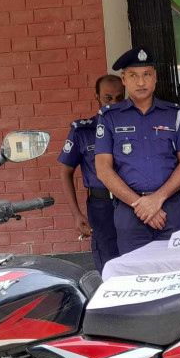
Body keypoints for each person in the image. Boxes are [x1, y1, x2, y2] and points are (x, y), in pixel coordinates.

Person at [95, 46, 180, 256]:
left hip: (170, 209)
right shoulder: (109, 117)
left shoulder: (174, 114)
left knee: (176, 271)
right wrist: (140, 204)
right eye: (134, 76)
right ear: (123, 79)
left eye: (147, 74)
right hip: (130, 213)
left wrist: (157, 199)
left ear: (155, 77)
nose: (141, 82)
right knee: (135, 272)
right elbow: (103, 169)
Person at [58, 75, 125, 270]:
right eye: (108, 98)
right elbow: (66, 172)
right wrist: (76, 214)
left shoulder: (134, 130)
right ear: (97, 97)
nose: (113, 104)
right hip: (101, 206)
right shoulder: (83, 131)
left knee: (136, 259)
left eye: (119, 98)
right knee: (107, 263)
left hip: (132, 204)